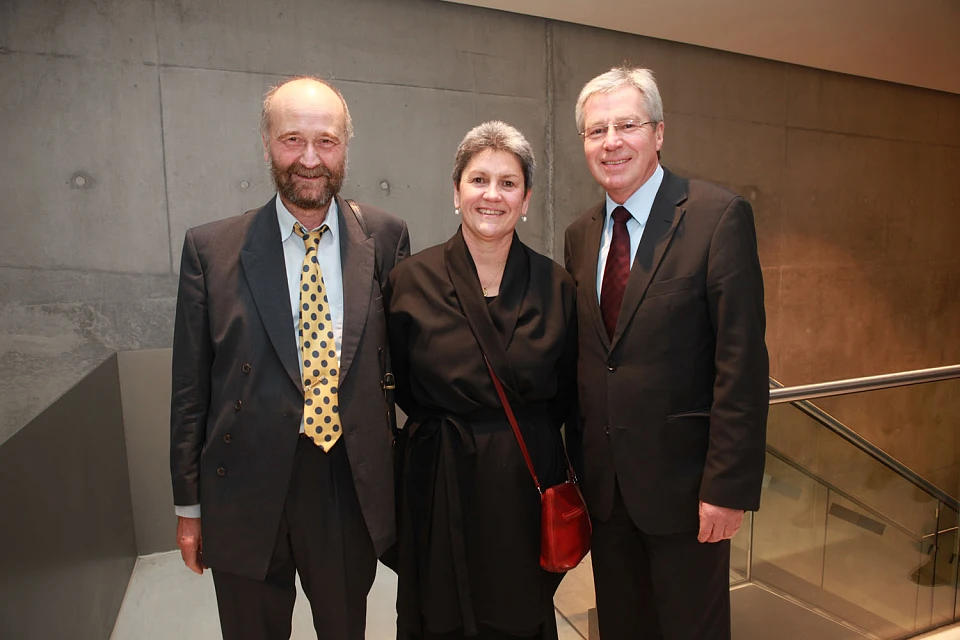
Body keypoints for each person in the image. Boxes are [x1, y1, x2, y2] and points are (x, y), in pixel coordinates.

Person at [169, 76, 410, 640]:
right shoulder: (211, 250)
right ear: (266, 142)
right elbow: (190, 389)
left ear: (346, 147)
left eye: (325, 142)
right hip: (244, 485)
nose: (309, 158)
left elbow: (402, 362)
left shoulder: (385, 236)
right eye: (291, 139)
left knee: (345, 626)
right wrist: (188, 506)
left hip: (345, 483)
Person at [563, 66, 769, 640]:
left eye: (626, 124)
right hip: (608, 492)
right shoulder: (580, 235)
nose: (611, 142)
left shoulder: (716, 216)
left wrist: (726, 489)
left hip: (688, 495)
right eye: (596, 130)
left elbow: (742, 363)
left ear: (658, 132)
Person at [385, 121, 577, 640]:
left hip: (523, 478)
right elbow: (398, 382)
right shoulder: (409, 281)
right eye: (478, 180)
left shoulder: (556, 284)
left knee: (519, 615)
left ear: (526, 199)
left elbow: (566, 393)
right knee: (439, 615)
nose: (492, 195)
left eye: (508, 183)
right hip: (438, 477)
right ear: (456, 191)